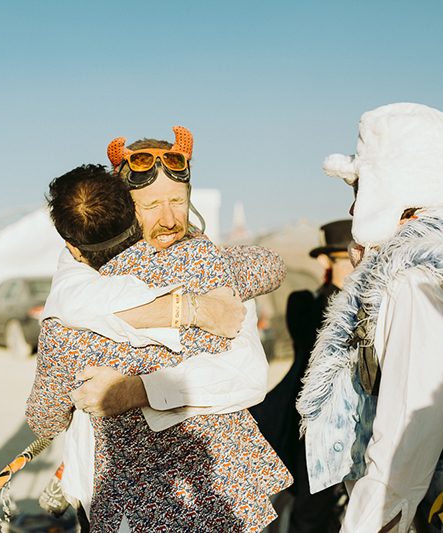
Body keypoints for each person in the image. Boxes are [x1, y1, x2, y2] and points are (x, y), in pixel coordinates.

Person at [27, 162, 292, 531]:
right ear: (129, 211)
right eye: (152, 205)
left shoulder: (63, 325)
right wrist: (186, 307)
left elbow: (45, 418)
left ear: (73, 246)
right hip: (219, 492)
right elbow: (268, 265)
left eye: (177, 201)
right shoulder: (203, 264)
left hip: (135, 506)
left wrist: (131, 390)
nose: (168, 218)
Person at [296, 103, 443, 532]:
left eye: (360, 188)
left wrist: (369, 522)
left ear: (390, 188)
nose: (352, 208)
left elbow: (408, 426)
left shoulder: (415, 282)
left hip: (426, 514)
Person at [250, 220, 353, 532]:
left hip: (361, 423)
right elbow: (313, 342)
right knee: (311, 514)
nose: (356, 267)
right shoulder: (307, 304)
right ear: (326, 261)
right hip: (317, 429)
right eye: (347, 259)